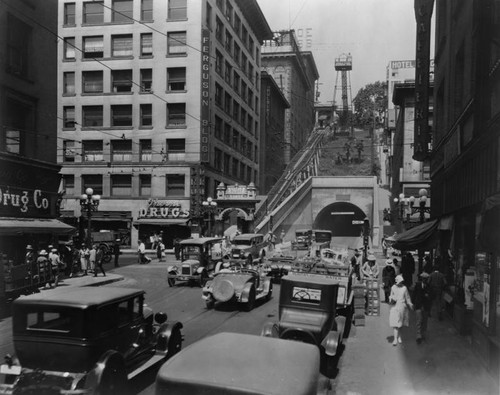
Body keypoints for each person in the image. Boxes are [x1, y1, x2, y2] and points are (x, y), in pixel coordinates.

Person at [389, 274, 414, 346]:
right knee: (395, 323)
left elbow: (407, 297)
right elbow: (391, 296)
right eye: (399, 282)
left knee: (400, 324)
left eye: (401, 282)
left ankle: (399, 336)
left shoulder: (404, 288)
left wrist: (410, 304)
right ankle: (395, 339)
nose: (400, 283)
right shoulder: (393, 287)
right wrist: (391, 298)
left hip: (402, 307)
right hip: (394, 307)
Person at [412, 272, 433, 344]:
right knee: (419, 321)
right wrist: (413, 303)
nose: (424, 280)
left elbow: (432, 297)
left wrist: (429, 296)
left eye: (426, 279)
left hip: (426, 306)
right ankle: (418, 335)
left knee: (424, 322)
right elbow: (414, 294)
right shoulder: (417, 285)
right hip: (419, 306)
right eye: (423, 279)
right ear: (421, 279)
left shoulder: (429, 286)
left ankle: (423, 334)